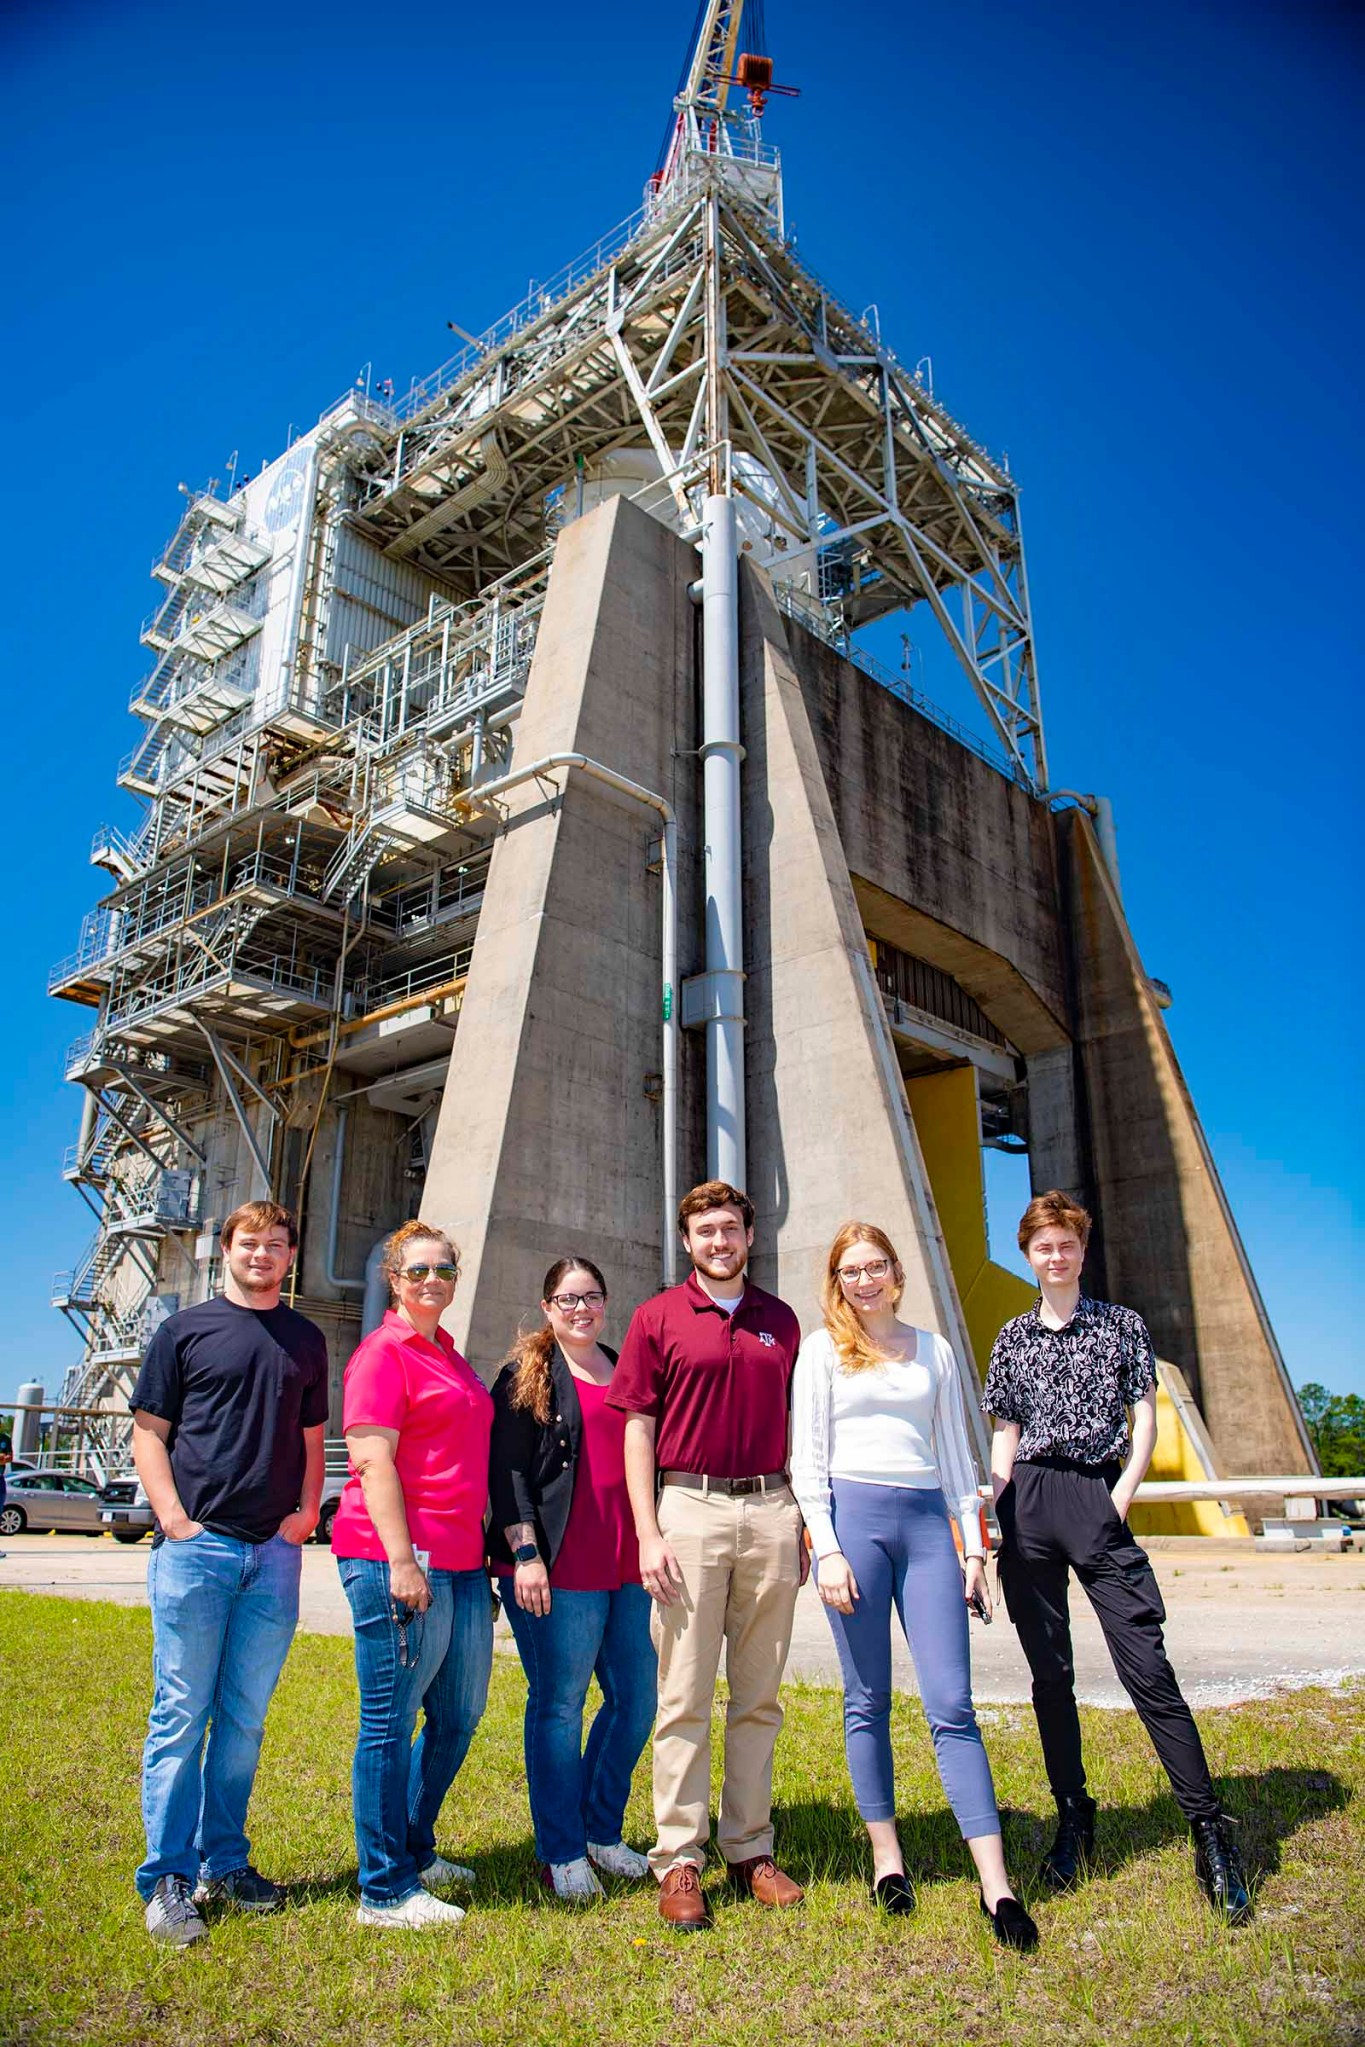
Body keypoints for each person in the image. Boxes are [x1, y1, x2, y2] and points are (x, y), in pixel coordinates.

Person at [985, 1188, 1252, 1923]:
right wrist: (993, 1512)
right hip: (1026, 1502)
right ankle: (1074, 1815)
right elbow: (1005, 1431)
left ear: (1081, 1248)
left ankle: (1208, 1828)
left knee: (1148, 1668)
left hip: (1095, 1498)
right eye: (1043, 1244)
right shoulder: (1010, 1337)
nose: (1056, 1254)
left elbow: (1144, 1417)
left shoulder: (1120, 1326)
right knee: (1050, 1675)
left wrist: (1120, 1497)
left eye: (1066, 1242)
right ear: (1028, 1253)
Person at [791, 1223, 1039, 1949]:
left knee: (951, 1703)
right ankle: (886, 1860)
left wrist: (973, 1546)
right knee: (864, 1697)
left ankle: (996, 1886)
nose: (864, 1280)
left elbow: (957, 1453)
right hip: (853, 1525)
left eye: (874, 1266)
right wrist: (826, 1547)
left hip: (929, 1525)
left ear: (897, 1273)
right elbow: (805, 1462)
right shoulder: (820, 1349)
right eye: (849, 1270)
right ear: (837, 1281)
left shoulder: (931, 1347)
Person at [608, 1180, 806, 1931]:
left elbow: (801, 1426)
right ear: (686, 1242)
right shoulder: (658, 1316)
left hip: (769, 1507)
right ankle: (679, 1855)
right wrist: (647, 1530)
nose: (718, 1241)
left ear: (748, 1236)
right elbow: (636, 1428)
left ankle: (749, 1847)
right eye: (703, 1231)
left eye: (729, 1228)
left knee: (758, 1695)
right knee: (682, 1693)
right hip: (685, 1506)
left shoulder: (779, 1321)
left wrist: (802, 1518)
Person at [130, 1199, 328, 1947]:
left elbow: (314, 1436)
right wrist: (175, 1518)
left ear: (291, 1255)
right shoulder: (184, 1330)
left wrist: (308, 1509)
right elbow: (150, 1432)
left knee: (242, 1722)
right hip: (198, 1547)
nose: (262, 1254)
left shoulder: (306, 1339)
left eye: (276, 1244)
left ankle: (226, 1861)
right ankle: (168, 1878)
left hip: (272, 1554)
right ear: (226, 1249)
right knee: (181, 1714)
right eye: (250, 1242)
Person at [331, 1221, 494, 1932]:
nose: (435, 1280)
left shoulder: (448, 1354)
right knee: (388, 1724)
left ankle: (415, 1846)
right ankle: (384, 1888)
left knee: (457, 1714)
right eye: (420, 1269)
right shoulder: (381, 1354)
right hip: (394, 1557)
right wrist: (401, 1560)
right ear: (395, 1279)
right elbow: (372, 1462)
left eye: (446, 1269)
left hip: (460, 1559)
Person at [489, 1256, 657, 1901]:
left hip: (625, 1567)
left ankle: (599, 1830)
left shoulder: (627, 1370)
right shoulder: (525, 1377)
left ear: (606, 1302)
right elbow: (506, 1475)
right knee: (559, 1706)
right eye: (566, 1299)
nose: (579, 1308)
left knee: (636, 1700)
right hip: (556, 1572)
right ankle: (559, 1849)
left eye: (590, 1296)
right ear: (547, 1308)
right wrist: (525, 1553)